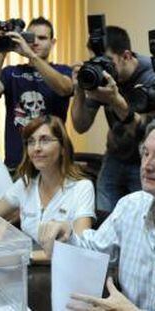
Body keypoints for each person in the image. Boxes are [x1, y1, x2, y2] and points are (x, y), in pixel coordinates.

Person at [38, 120, 155, 311]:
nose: (147, 165)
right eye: (145, 154)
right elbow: (93, 250)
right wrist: (66, 234)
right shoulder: (131, 206)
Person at [71, 25, 155, 213]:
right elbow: (80, 125)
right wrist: (78, 90)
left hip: (145, 160)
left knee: (142, 218)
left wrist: (115, 100)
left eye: (106, 61)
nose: (101, 67)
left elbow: (143, 132)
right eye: (95, 60)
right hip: (114, 155)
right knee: (104, 217)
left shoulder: (150, 76)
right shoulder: (100, 76)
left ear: (126, 56)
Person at [0, 115, 95, 262]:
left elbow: (82, 249)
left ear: (63, 148)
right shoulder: (25, 184)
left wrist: (24, 256)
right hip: (28, 271)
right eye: (31, 142)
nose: (37, 148)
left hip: (64, 271)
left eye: (45, 140)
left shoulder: (82, 188)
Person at [0, 16, 73, 174]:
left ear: (53, 42)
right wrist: (3, 51)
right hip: (17, 165)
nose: (35, 42)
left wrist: (32, 56)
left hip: (52, 165)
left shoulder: (63, 71)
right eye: (31, 37)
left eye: (42, 38)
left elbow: (64, 88)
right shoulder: (12, 73)